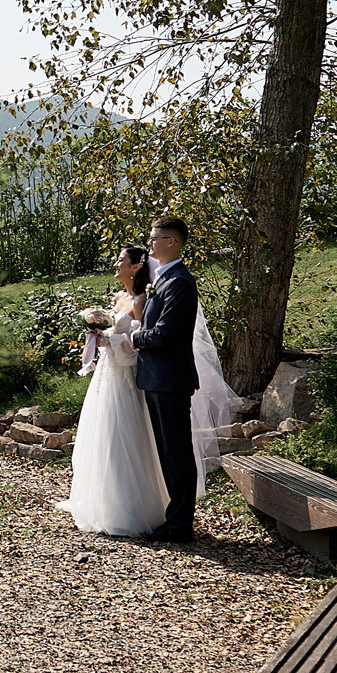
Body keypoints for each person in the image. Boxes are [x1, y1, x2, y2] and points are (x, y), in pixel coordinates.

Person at [56, 245, 172, 537]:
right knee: (102, 434)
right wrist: (97, 330)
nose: (116, 263)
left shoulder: (141, 300)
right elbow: (116, 331)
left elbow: (137, 345)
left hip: (125, 377)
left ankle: (130, 509)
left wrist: (108, 340)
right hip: (106, 376)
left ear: (135, 267)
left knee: (124, 434)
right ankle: (102, 501)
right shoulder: (118, 297)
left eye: (122, 260)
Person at [132, 215, 200, 542]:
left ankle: (180, 525)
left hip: (171, 380)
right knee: (167, 452)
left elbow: (163, 334)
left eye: (154, 239)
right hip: (156, 379)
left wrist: (133, 338)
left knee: (177, 453)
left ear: (171, 242)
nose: (150, 244)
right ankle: (175, 519)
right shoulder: (163, 280)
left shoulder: (181, 283)